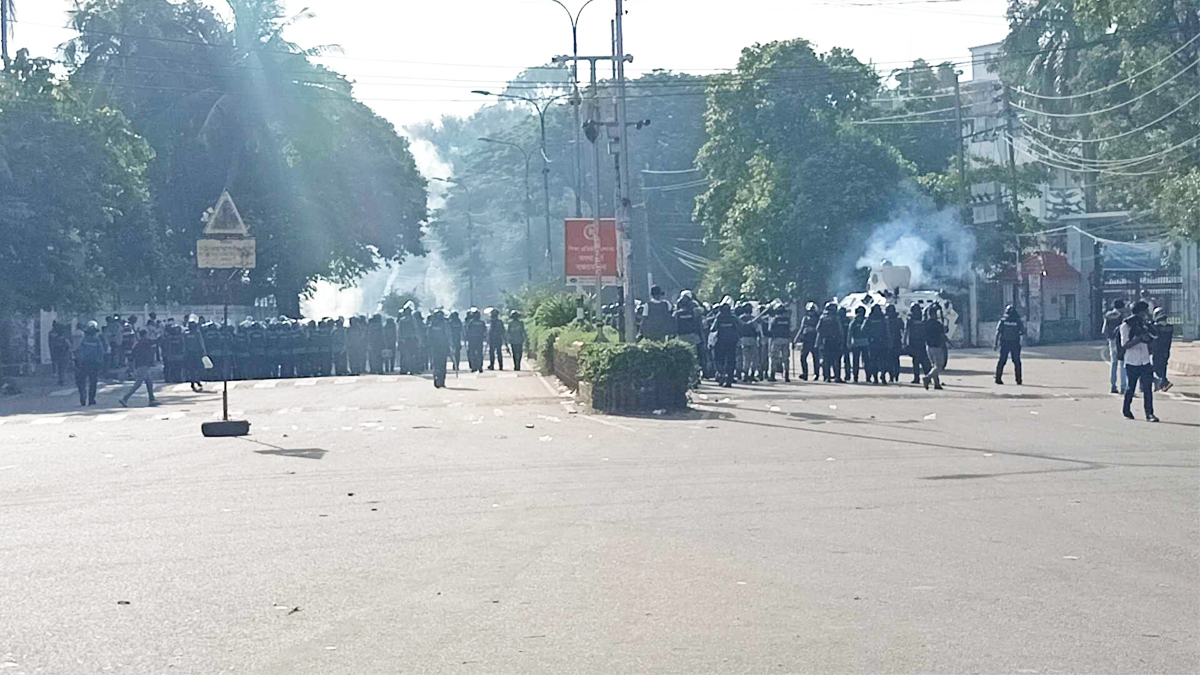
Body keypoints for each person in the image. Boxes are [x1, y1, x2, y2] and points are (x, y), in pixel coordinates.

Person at [1120, 300, 1159, 422]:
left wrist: (1148, 334)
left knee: (1147, 388)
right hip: (1132, 361)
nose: (1147, 313)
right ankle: (1126, 410)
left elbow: (1154, 335)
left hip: (1145, 360)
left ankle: (1149, 413)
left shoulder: (1144, 324)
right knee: (1131, 387)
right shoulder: (1126, 326)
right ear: (1140, 312)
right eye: (1145, 311)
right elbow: (1124, 345)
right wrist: (1139, 339)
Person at [119, 329, 159, 407]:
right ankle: (125, 398)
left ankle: (152, 399)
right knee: (138, 383)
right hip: (143, 365)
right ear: (145, 335)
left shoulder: (137, 344)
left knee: (149, 382)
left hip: (140, 365)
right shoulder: (145, 342)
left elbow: (132, 355)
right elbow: (155, 341)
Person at [74, 321, 107, 406]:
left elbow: (79, 351)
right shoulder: (97, 341)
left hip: (83, 363)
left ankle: (83, 396)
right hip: (94, 363)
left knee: (82, 381)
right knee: (93, 382)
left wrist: (78, 361)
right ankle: (91, 399)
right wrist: (101, 363)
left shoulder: (84, 340)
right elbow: (101, 352)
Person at [708, 302, 740, 387]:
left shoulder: (719, 318)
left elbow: (712, 328)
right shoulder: (733, 318)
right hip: (732, 342)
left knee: (719, 360)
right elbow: (740, 327)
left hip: (720, 342)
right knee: (731, 361)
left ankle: (722, 376)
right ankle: (729, 378)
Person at [1102, 299, 1129, 394]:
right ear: (1121, 307)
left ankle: (1113, 386)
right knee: (1122, 364)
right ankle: (1124, 387)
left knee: (1114, 363)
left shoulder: (1108, 315)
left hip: (1111, 341)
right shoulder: (1123, 316)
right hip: (1120, 340)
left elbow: (1104, 330)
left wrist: (1109, 338)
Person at [994, 305, 1025, 385]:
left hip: (1005, 343)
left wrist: (995, 344)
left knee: (1002, 361)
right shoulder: (1018, 321)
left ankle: (998, 379)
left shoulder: (1003, 321)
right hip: (1015, 343)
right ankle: (1018, 380)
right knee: (1017, 362)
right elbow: (1023, 331)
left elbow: (998, 332)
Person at [673, 291, 704, 370]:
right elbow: (703, 312)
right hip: (693, 336)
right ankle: (696, 373)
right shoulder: (695, 311)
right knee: (694, 356)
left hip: (681, 337)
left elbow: (674, 326)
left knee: (683, 356)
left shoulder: (676, 314)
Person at [815, 302, 844, 383]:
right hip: (835, 340)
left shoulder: (822, 317)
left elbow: (818, 329)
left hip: (825, 341)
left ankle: (827, 377)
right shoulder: (836, 318)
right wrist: (841, 339)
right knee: (836, 360)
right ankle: (837, 377)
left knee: (826, 360)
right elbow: (840, 330)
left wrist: (818, 341)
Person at [923, 304, 948, 391]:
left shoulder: (925, 323)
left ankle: (937, 384)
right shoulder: (938, 324)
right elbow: (942, 335)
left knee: (933, 366)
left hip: (928, 346)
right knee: (939, 366)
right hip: (937, 346)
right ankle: (928, 377)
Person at [426, 309, 452, 388]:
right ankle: (441, 380)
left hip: (435, 348)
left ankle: (437, 378)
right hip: (442, 347)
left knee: (436, 364)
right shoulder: (445, 324)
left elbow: (428, 337)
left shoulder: (431, 325)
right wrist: (451, 346)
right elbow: (449, 336)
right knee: (442, 364)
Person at [766, 302, 792, 382]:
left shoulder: (774, 319)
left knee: (774, 357)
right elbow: (790, 329)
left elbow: (770, 330)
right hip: (786, 340)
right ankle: (786, 375)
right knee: (785, 358)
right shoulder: (787, 320)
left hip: (776, 340)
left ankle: (772, 375)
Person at [794, 302, 819, 381]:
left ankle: (816, 374)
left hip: (814, 340)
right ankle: (805, 373)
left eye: (812, 311)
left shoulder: (818, 319)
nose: (810, 313)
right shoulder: (805, 318)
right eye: (809, 311)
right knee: (803, 357)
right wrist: (795, 339)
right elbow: (801, 329)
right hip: (806, 340)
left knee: (816, 358)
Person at [1150, 307, 1173, 392]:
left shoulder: (1156, 327)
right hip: (1166, 350)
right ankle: (1162, 384)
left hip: (1157, 350)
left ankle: (1164, 382)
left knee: (1155, 368)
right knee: (1163, 367)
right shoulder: (1170, 327)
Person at [183, 319, 209, 392]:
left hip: (189, 354)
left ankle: (193, 382)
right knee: (198, 368)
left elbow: (184, 345)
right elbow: (201, 343)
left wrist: (184, 354)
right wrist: (204, 352)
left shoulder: (186, 334)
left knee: (191, 369)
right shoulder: (197, 333)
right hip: (197, 353)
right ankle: (197, 380)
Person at [906, 303, 929, 384]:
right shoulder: (923, 320)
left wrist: (906, 342)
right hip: (920, 342)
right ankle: (927, 376)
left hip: (914, 342)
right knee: (924, 361)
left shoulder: (910, 321)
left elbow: (907, 332)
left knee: (916, 361)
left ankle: (917, 378)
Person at [865, 304, 888, 385]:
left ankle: (875, 378)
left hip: (873, 343)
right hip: (882, 342)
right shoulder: (883, 319)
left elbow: (863, 329)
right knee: (883, 361)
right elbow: (887, 331)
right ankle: (883, 375)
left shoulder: (869, 319)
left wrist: (868, 336)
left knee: (873, 361)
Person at [847, 306, 870, 384]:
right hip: (857, 343)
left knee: (866, 361)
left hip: (864, 343)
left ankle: (868, 376)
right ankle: (856, 377)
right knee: (856, 361)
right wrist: (849, 343)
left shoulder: (866, 321)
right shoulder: (854, 322)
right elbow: (849, 333)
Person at [884, 305, 904, 383]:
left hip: (894, 342)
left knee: (892, 360)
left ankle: (894, 376)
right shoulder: (897, 320)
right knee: (893, 360)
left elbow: (902, 330)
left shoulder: (888, 320)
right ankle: (894, 376)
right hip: (892, 342)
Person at [465, 308, 487, 373]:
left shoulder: (471, 322)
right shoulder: (481, 322)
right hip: (479, 339)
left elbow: (467, 330)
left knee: (472, 353)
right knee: (479, 353)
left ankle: (474, 367)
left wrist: (467, 338)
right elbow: (485, 331)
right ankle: (480, 367)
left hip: (472, 340)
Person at [49, 322, 71, 386]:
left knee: (59, 368)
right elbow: (69, 346)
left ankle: (60, 380)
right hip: (65, 355)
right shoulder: (65, 339)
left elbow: (53, 346)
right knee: (63, 368)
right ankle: (62, 380)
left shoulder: (56, 339)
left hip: (58, 355)